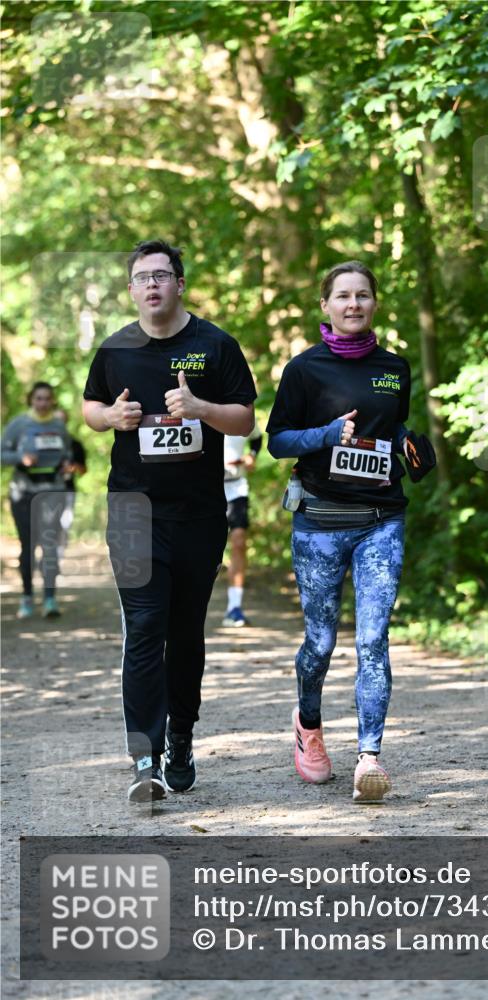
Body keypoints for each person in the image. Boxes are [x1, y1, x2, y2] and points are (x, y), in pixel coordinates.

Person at [82, 239, 256, 803]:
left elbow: (246, 420)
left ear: (180, 284)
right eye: (141, 277)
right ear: (131, 289)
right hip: (133, 510)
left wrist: (202, 410)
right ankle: (144, 759)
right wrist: (110, 416)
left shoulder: (215, 345)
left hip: (199, 513)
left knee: (184, 632)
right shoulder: (114, 350)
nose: (152, 284)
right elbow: (90, 408)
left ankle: (181, 733)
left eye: (162, 275)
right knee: (145, 627)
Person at [267, 260, 413, 803]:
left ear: (375, 303)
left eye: (363, 295)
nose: (354, 304)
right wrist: (325, 435)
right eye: (343, 296)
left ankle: (369, 758)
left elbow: (392, 425)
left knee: (373, 640)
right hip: (320, 522)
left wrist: (409, 444)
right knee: (322, 643)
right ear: (325, 305)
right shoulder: (304, 369)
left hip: (381, 521)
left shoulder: (395, 368)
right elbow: (277, 440)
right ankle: (307, 725)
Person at [1, 382, 71, 618]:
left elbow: (67, 454)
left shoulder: (59, 426)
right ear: (31, 400)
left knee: (50, 545)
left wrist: (65, 466)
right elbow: (2, 454)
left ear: (53, 401)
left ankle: (50, 599)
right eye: (38, 398)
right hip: (23, 492)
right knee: (28, 546)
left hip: (53, 492)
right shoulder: (18, 424)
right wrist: (21, 458)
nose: (42, 403)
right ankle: (27, 597)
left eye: (47, 398)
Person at [222, 428, 262, 627]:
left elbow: (257, 438)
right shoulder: (199, 409)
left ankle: (234, 607)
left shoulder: (240, 411)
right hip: (206, 488)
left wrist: (251, 456)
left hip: (236, 487)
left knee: (239, 542)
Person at [53, 408, 87, 559]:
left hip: (68, 490)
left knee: (65, 522)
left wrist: (72, 467)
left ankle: (58, 555)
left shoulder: (75, 444)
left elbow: (83, 469)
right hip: (47, 489)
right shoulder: (44, 442)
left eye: (62, 420)